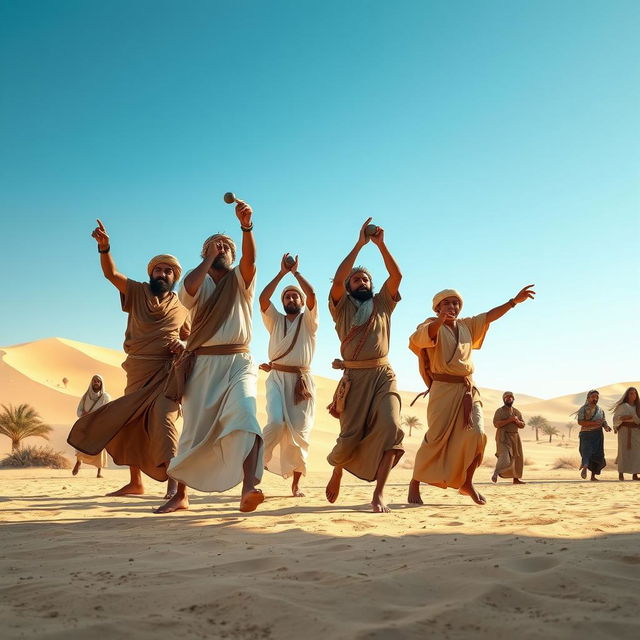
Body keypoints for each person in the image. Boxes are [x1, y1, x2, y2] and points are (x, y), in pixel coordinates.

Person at [156, 199, 264, 514]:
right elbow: (186, 289)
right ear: (204, 254)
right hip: (202, 364)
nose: (221, 249)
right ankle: (181, 495)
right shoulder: (197, 280)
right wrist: (208, 259)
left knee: (246, 415)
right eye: (213, 247)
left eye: (226, 247)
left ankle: (249, 488)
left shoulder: (241, 281)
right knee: (193, 432)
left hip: (238, 363)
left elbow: (251, 259)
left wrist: (245, 227)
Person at [68, 219, 187, 498]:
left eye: (168, 270)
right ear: (151, 273)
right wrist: (104, 248)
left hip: (167, 375)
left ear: (175, 277)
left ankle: (174, 484)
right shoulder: (136, 291)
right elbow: (111, 274)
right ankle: (136, 483)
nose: (162, 273)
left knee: (163, 420)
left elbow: (190, 339)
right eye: (158, 269)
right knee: (130, 423)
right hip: (137, 369)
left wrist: (182, 344)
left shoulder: (183, 308)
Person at [408, 285, 536, 505]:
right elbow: (422, 338)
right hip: (442, 390)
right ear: (437, 307)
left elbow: (488, 317)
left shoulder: (466, 326)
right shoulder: (429, 325)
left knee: (477, 435)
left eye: (456, 303)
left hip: (468, 390)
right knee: (436, 438)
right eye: (446, 303)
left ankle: (467, 482)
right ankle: (415, 482)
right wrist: (440, 320)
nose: (452, 306)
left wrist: (514, 301)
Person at [325, 218, 404, 513]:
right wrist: (360, 244)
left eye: (366, 279)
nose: (362, 282)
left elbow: (396, 275)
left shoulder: (383, 302)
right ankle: (338, 470)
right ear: (348, 287)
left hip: (384, 374)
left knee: (392, 428)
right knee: (349, 439)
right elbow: (336, 281)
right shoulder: (341, 306)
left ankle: (379, 494)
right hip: (354, 380)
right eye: (356, 280)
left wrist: (381, 245)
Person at [258, 254, 318, 497]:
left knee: (300, 434)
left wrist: (296, 274)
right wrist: (282, 273)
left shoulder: (309, 322)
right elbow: (263, 299)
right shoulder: (275, 320)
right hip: (277, 380)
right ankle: (255, 466)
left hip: (302, 384)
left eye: (295, 296)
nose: (291, 298)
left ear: (301, 301)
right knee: (275, 424)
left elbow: (313, 296)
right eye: (287, 296)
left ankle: (296, 484)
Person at [72, 375, 111, 478]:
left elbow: (109, 412)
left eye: (98, 381)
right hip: (86, 425)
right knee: (81, 444)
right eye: (94, 381)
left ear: (101, 383)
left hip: (99, 426)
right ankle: (79, 462)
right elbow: (78, 411)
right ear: (91, 382)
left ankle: (99, 471)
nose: (96, 383)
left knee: (99, 448)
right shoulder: (85, 397)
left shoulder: (106, 397)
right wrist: (83, 415)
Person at [491, 391, 526, 484]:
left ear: (513, 399)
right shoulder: (499, 411)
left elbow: (523, 425)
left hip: (515, 437)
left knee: (517, 459)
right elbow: (496, 424)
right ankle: (496, 473)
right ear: (504, 399)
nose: (509, 399)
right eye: (507, 397)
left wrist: (517, 421)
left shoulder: (516, 412)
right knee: (505, 457)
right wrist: (509, 420)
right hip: (503, 437)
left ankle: (516, 479)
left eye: (510, 397)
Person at [576, 389, 611, 481]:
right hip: (586, 434)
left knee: (598, 455)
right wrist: (593, 423)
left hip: (598, 435)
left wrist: (606, 427)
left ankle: (593, 476)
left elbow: (603, 420)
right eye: (593, 397)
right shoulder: (583, 409)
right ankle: (585, 467)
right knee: (586, 453)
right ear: (588, 398)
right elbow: (580, 422)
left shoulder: (600, 410)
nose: (595, 399)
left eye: (597, 397)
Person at [611, 387, 640, 481]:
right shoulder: (622, 406)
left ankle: (635, 474)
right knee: (623, 452)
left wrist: (631, 418)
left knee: (637, 453)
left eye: (635, 393)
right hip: (624, 431)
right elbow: (616, 419)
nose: (633, 395)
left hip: (636, 432)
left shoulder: (638, 406)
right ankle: (621, 474)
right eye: (631, 393)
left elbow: (638, 420)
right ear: (627, 395)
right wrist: (624, 418)